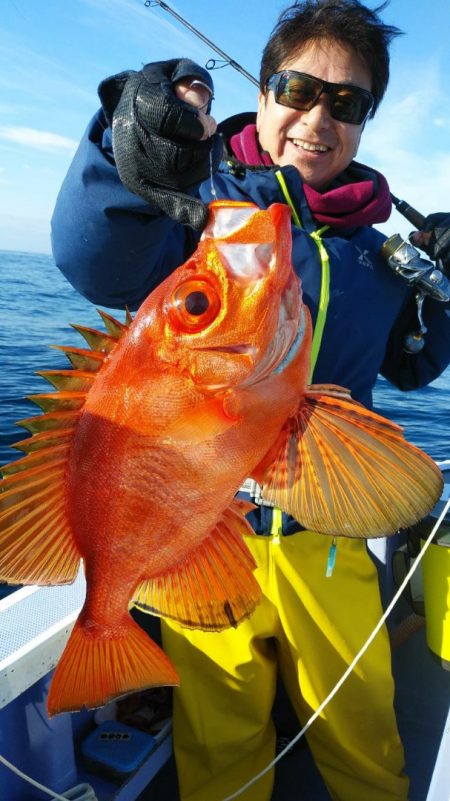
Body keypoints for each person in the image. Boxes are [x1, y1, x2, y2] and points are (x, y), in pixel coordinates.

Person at [51, 2, 450, 799]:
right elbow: (96, 256)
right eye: (298, 89)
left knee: (361, 725)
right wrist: (124, 140)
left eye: (347, 103)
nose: (318, 119)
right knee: (218, 733)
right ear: (264, 93)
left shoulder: (375, 257)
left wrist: (442, 299)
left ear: (365, 121)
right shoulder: (194, 213)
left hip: (326, 538)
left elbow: (412, 367)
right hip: (203, 534)